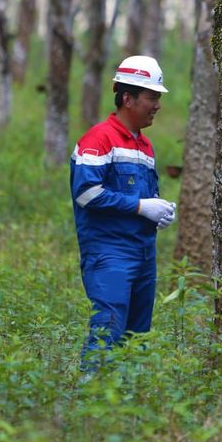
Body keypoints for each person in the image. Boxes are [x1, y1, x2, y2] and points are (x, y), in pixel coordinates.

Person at [70, 55, 176, 371]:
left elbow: (142, 196)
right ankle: (91, 402)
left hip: (144, 253)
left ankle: (125, 408)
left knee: (136, 337)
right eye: (152, 97)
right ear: (127, 98)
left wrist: (158, 211)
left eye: (158, 97)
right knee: (108, 327)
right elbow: (86, 194)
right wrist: (141, 206)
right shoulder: (99, 139)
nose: (157, 105)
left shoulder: (145, 146)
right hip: (109, 252)